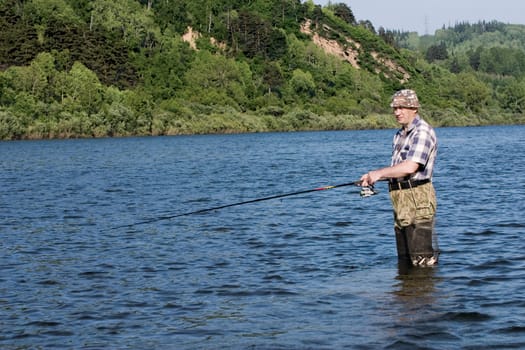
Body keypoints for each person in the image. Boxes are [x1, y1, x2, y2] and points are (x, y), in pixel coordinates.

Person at [360, 89, 439, 267]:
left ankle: (424, 293)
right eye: (395, 108)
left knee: (422, 262)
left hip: (418, 198)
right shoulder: (399, 135)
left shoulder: (422, 132)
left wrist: (379, 173)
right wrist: (372, 177)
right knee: (404, 262)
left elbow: (411, 166)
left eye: (401, 107)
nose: (397, 112)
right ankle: (406, 293)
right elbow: (398, 170)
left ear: (414, 108)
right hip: (400, 200)